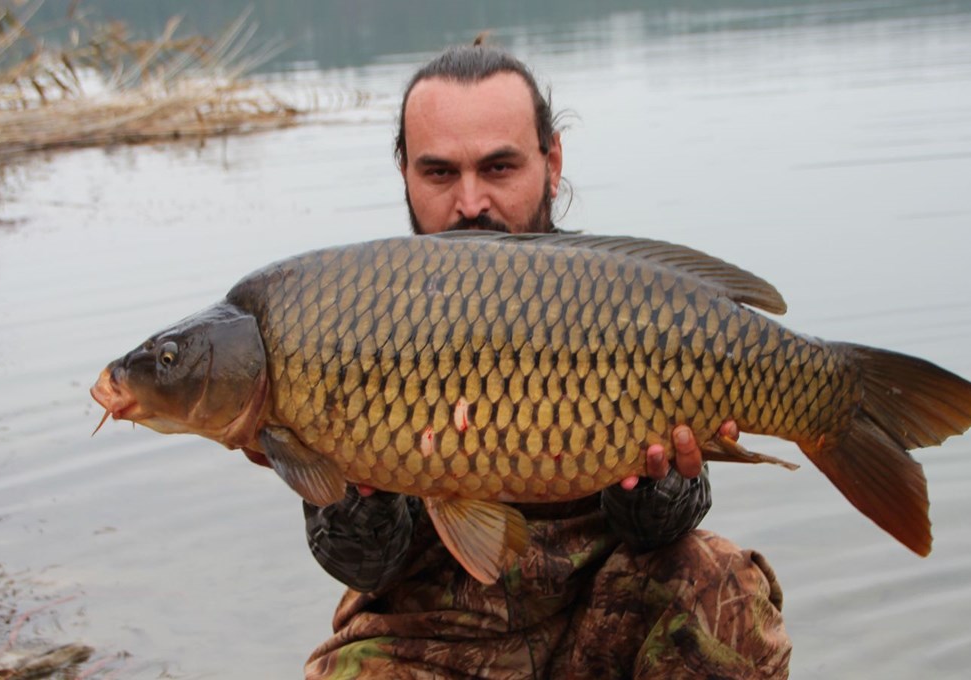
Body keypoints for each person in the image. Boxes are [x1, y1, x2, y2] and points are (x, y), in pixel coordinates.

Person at [302, 42, 791, 680]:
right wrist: (360, 492)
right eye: (440, 173)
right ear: (405, 174)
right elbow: (363, 565)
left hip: (607, 614)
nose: (470, 202)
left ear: (551, 162)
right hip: (432, 636)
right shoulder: (354, 313)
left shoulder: (618, 296)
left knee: (722, 587)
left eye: (499, 167)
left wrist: (654, 484)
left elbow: (663, 529)